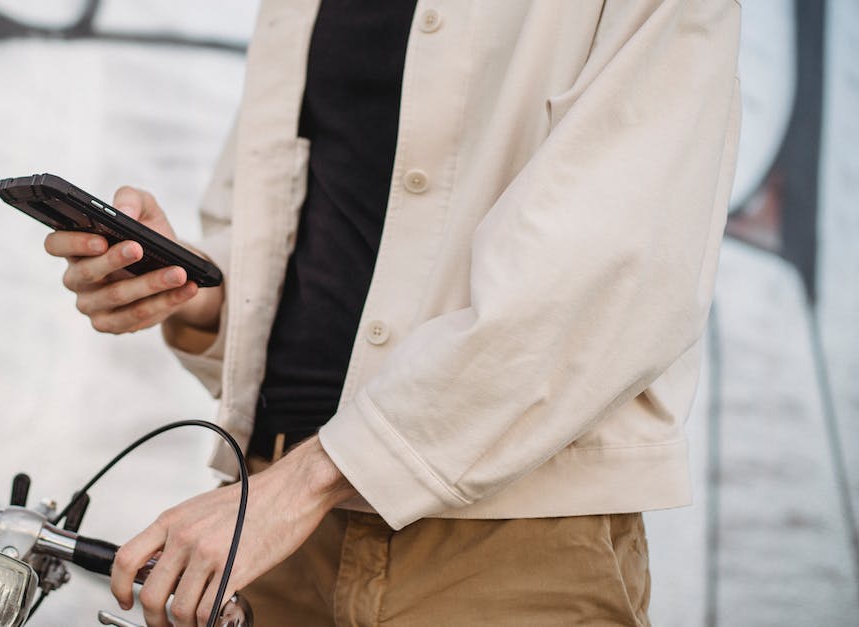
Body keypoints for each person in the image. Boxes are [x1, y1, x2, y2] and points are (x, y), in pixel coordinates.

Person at [43, 1, 741, 625]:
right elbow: (311, 234)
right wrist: (191, 289)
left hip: (508, 545)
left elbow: (608, 270)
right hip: (268, 540)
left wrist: (303, 485)